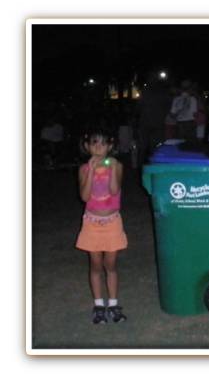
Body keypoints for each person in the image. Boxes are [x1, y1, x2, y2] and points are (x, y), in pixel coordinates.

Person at [75, 126, 128, 324]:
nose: (99, 148)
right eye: (94, 143)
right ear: (87, 146)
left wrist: (112, 168)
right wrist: (90, 170)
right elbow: (84, 196)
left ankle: (113, 304)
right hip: (91, 223)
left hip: (112, 222)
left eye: (103, 143)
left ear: (110, 146)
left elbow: (114, 191)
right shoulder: (83, 169)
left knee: (111, 265)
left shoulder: (117, 166)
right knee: (96, 265)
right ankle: (98, 305)